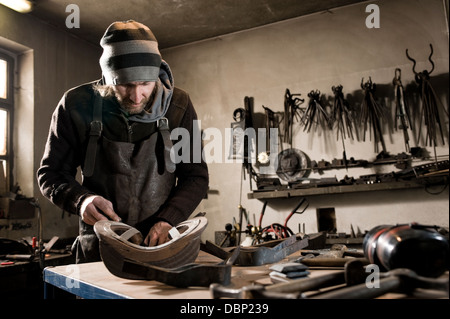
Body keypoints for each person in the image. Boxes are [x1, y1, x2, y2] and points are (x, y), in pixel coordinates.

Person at [37, 20, 209, 263]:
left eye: (146, 84)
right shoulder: (76, 105)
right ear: (108, 78)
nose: (137, 96)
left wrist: (169, 218)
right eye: (126, 85)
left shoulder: (178, 106)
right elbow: (51, 173)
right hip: (99, 249)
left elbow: (196, 176)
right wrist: (81, 200)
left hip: (160, 244)